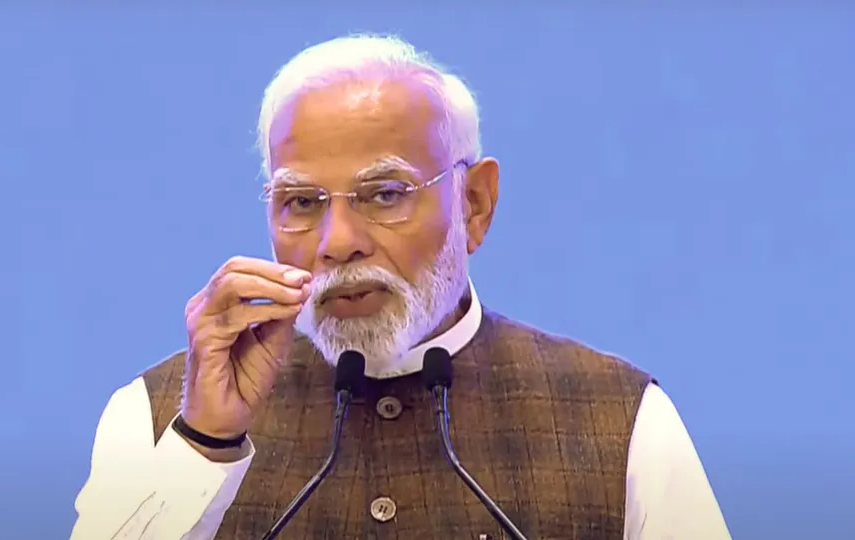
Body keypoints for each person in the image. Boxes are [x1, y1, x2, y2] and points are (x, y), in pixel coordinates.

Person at [70, 34, 731, 540]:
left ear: (474, 203)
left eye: (385, 194)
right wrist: (206, 443)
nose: (337, 241)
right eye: (300, 202)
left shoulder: (618, 418)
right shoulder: (157, 414)